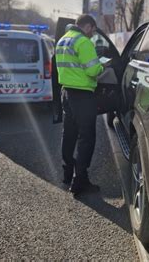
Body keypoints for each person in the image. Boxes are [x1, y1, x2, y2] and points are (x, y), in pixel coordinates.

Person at [56, 14, 105, 196]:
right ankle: (79, 182)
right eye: (93, 30)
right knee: (86, 138)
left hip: (66, 93)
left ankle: (68, 174)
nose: (93, 34)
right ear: (89, 26)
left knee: (69, 134)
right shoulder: (83, 42)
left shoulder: (63, 39)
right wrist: (102, 67)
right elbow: (93, 70)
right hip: (83, 96)